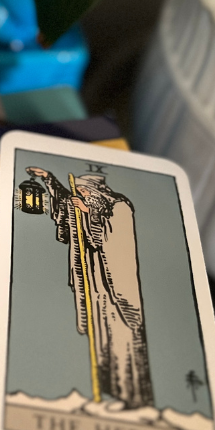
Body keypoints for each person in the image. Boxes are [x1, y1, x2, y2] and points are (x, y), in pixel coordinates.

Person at [27, 168, 154, 409]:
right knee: (102, 334)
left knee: (121, 336)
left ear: (98, 192)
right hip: (96, 282)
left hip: (115, 285)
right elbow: (66, 205)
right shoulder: (92, 205)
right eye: (81, 193)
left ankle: (132, 395)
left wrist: (87, 213)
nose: (82, 196)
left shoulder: (119, 207)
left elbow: (111, 240)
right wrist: (49, 179)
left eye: (85, 192)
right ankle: (113, 393)